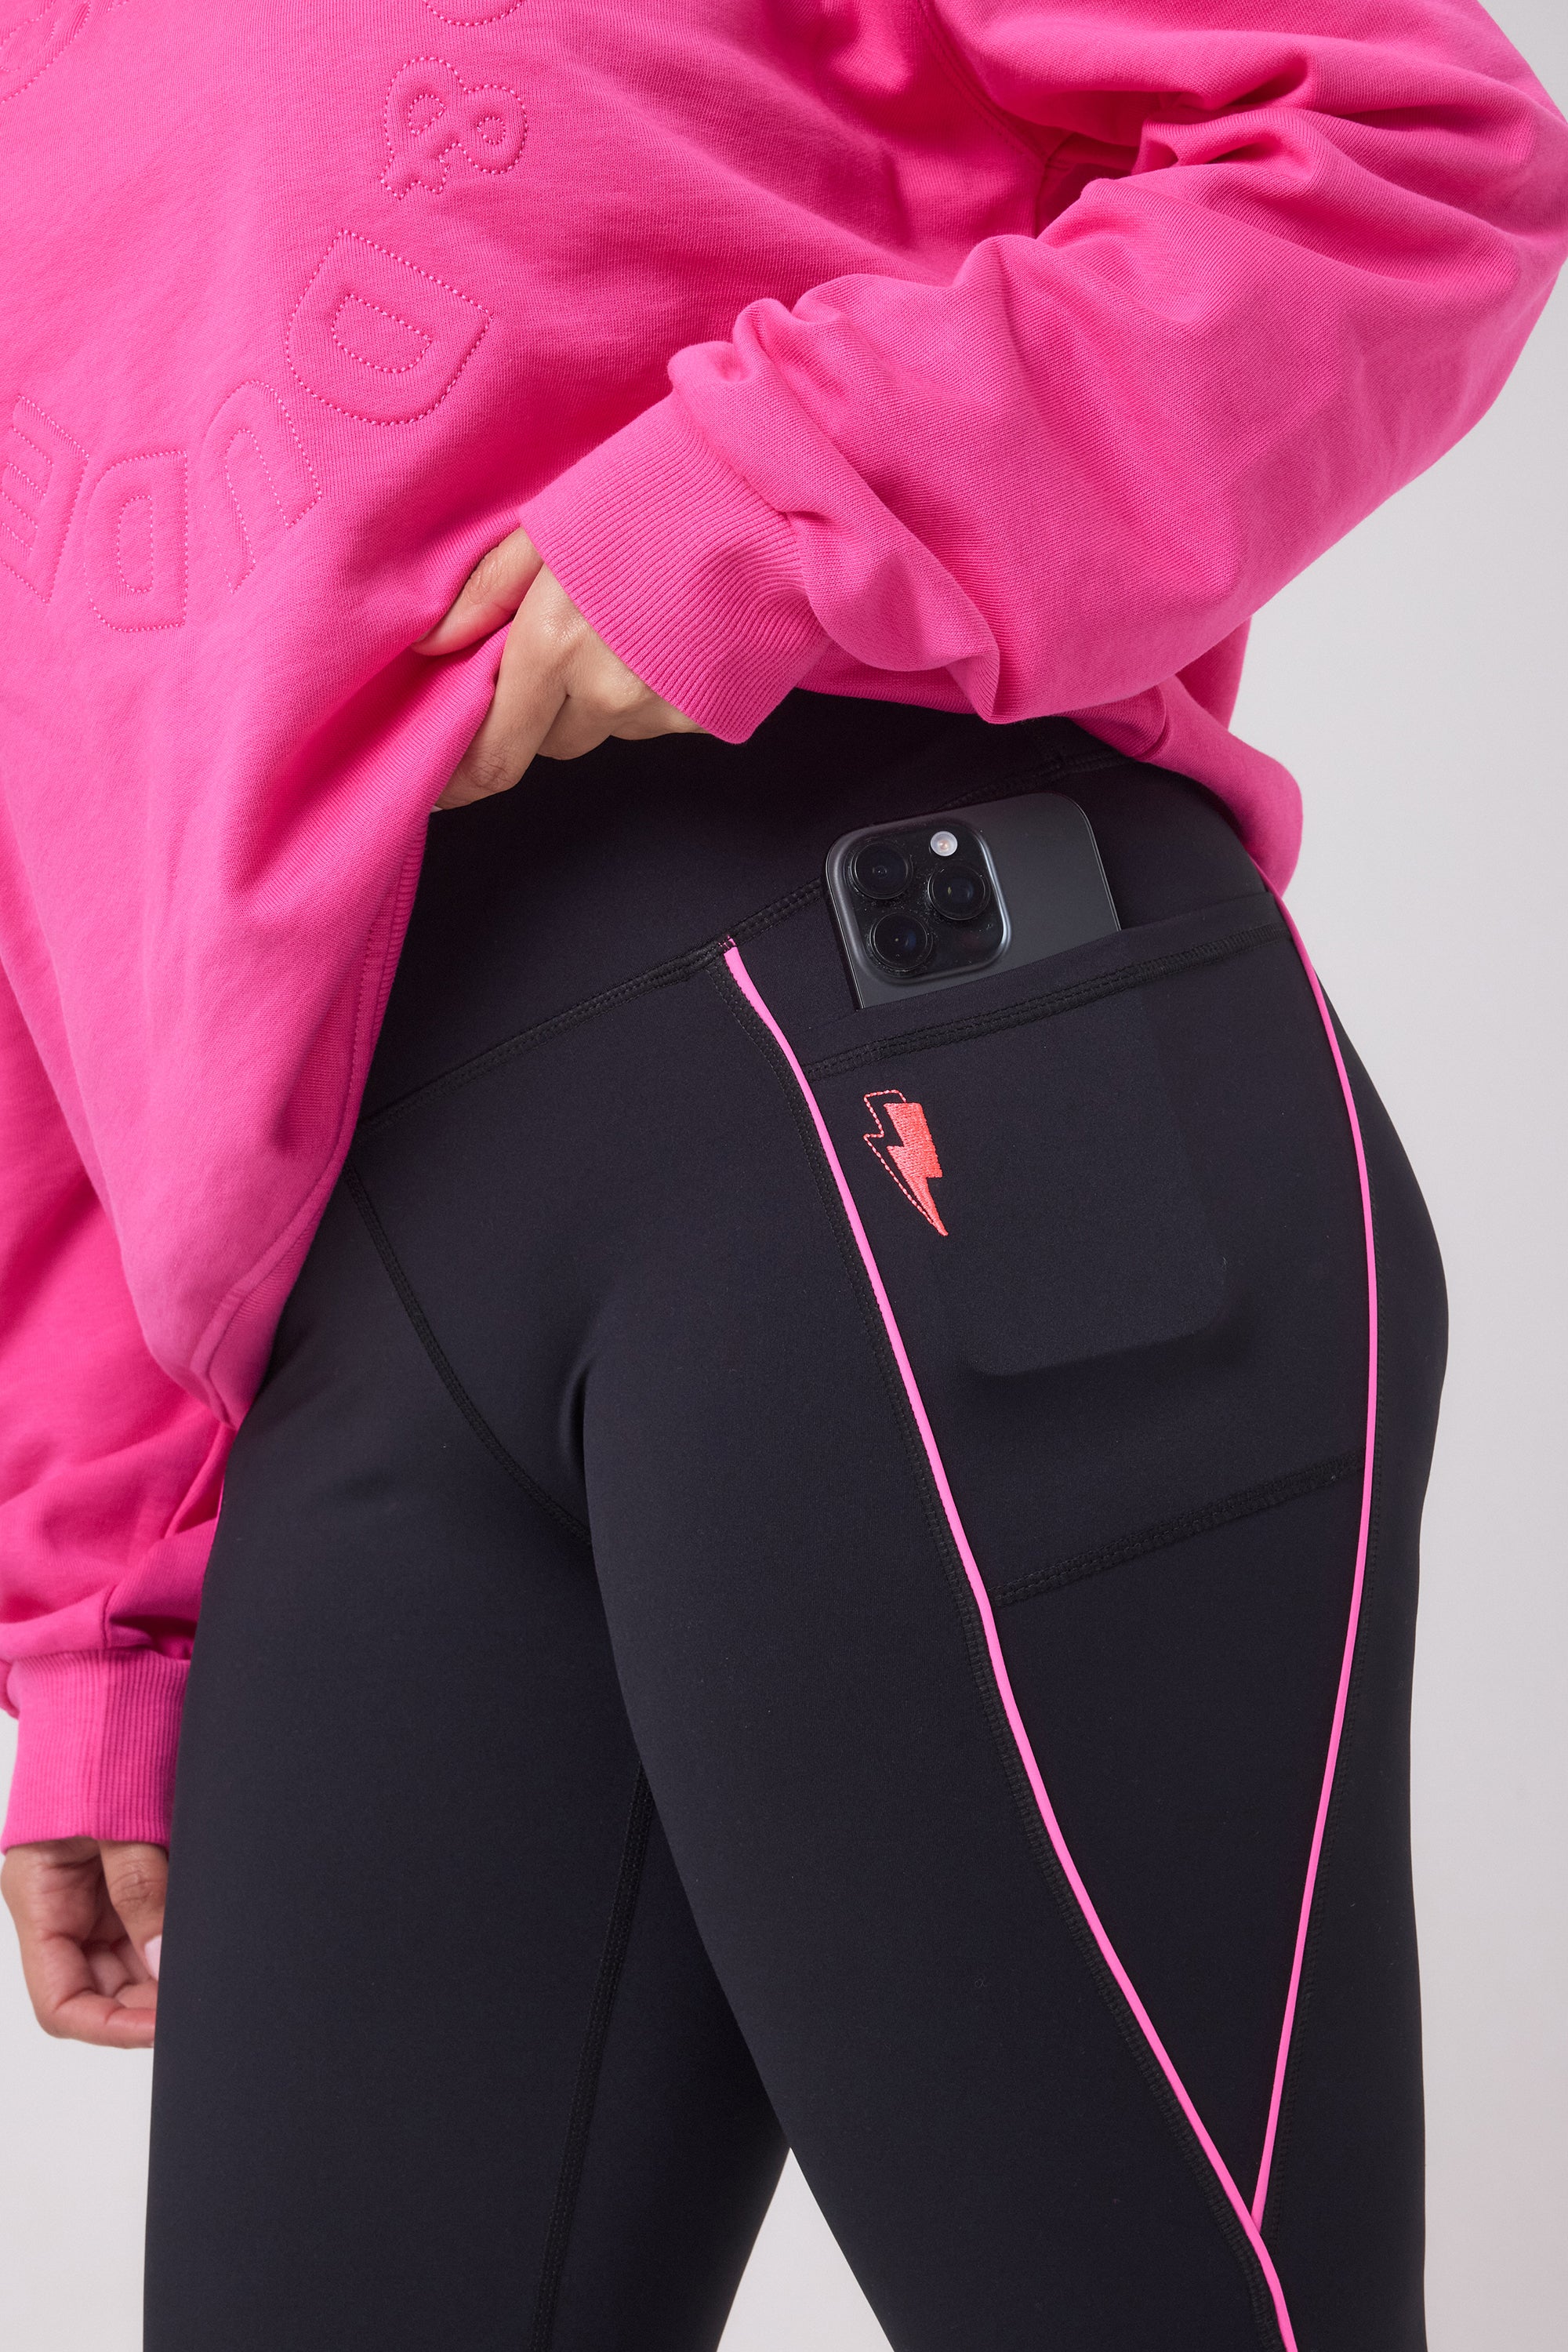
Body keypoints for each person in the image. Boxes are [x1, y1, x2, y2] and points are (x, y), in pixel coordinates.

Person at [2, 4, 1565, 2347]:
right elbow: (56, 833)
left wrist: (783, 493)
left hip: (910, 1058)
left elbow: (1407, 151)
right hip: (363, 1308)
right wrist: (103, 1610)